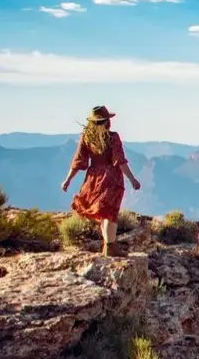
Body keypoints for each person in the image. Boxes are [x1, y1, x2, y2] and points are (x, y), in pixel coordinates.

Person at [61, 105, 142, 257]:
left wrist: (68, 180)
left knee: (104, 213)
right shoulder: (113, 137)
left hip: (94, 178)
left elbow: (78, 161)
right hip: (112, 177)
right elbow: (119, 161)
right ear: (107, 121)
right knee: (110, 212)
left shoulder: (86, 138)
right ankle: (111, 247)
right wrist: (132, 179)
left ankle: (108, 246)